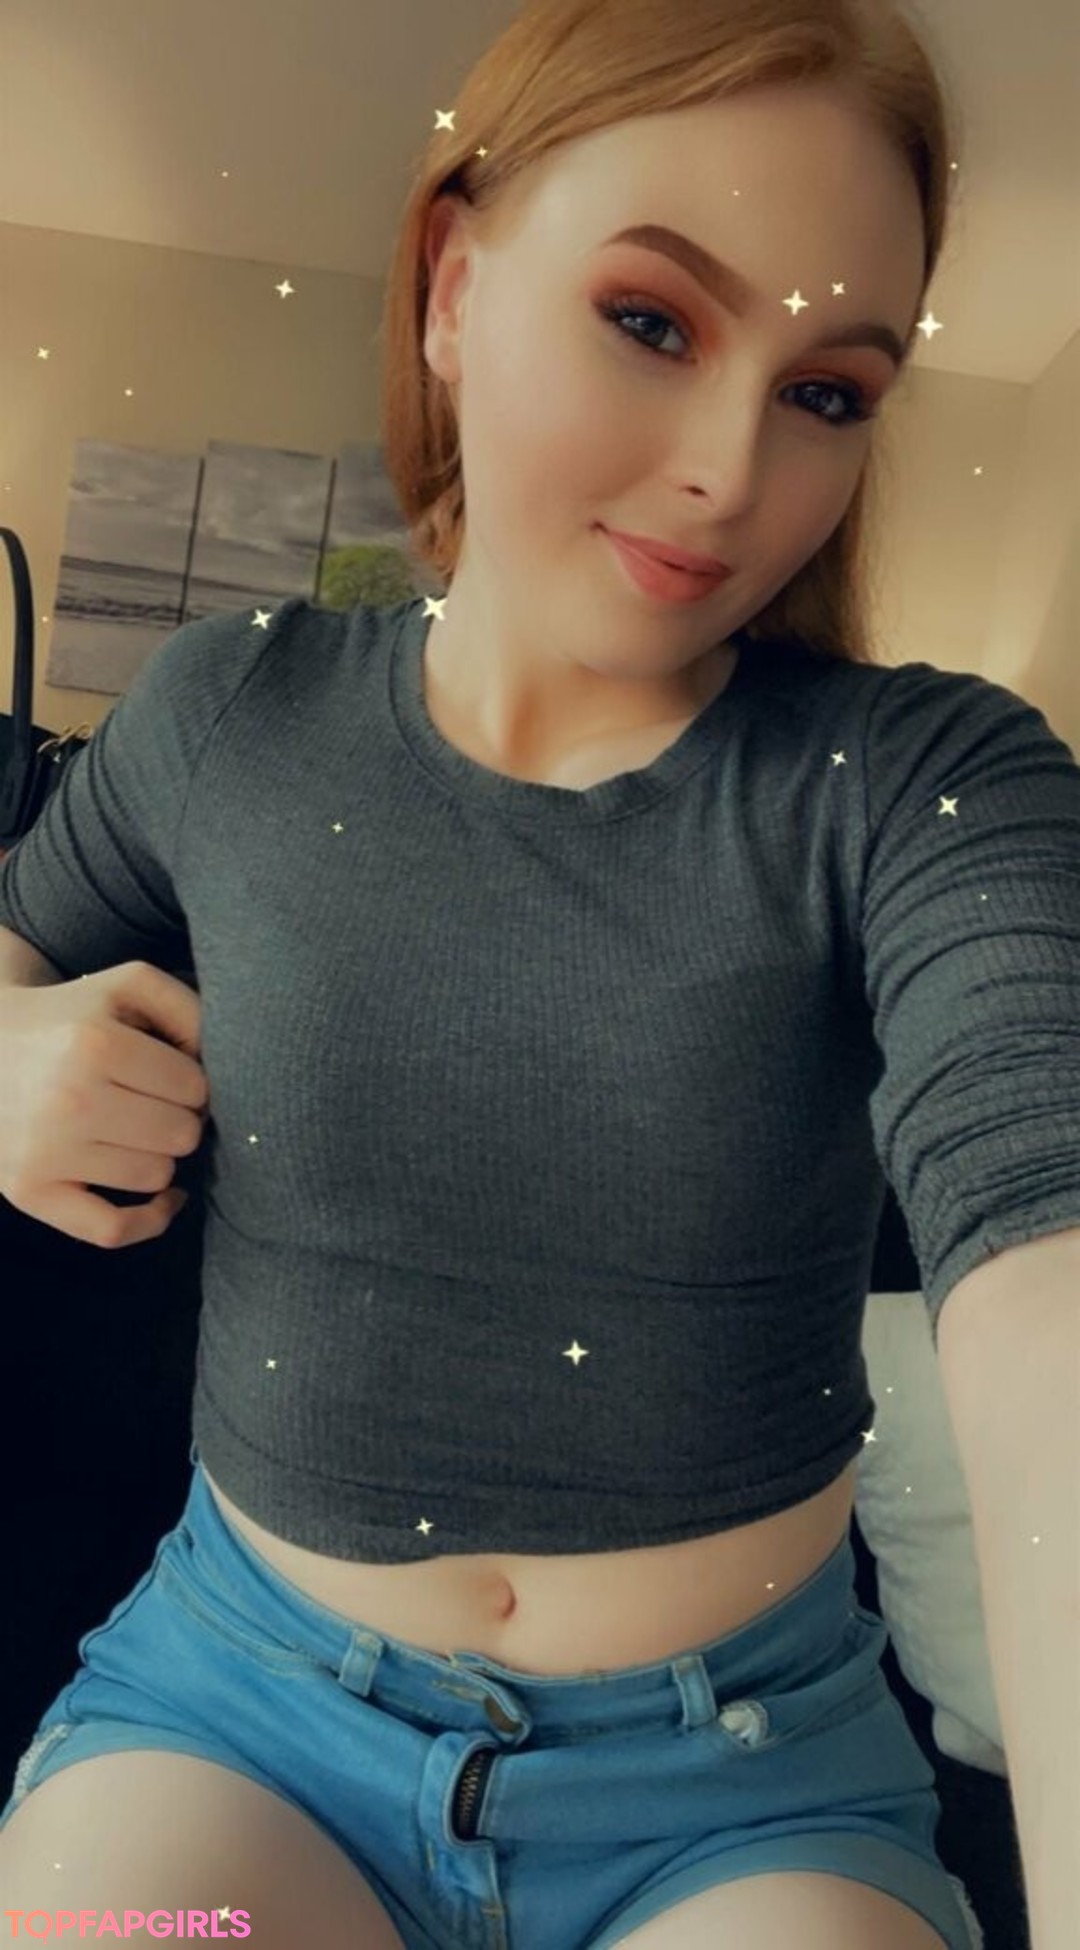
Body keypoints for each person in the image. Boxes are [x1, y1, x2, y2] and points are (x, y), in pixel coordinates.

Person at [6, 1, 1073, 1945]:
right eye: (652, 321)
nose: (732, 469)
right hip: (242, 1725)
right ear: (452, 282)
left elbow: (1046, 1254)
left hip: (745, 1794)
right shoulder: (228, 711)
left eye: (829, 391)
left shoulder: (922, 783)